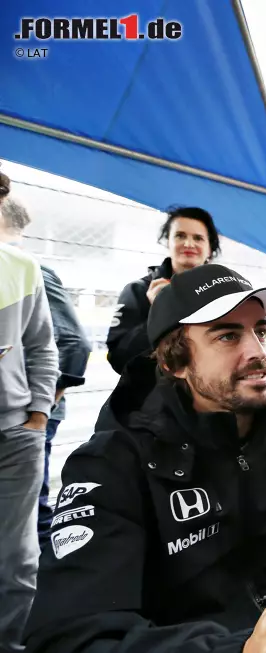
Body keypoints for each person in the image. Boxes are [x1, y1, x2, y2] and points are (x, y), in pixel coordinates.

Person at [25, 264, 266, 653]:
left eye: (261, 330)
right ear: (174, 362)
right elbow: (73, 636)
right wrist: (243, 648)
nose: (258, 351)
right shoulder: (112, 464)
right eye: (228, 336)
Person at [0, 196, 91, 547]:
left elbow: (75, 342)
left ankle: (45, 595)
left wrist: (39, 412)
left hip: (25, 416)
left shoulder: (31, 268)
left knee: (28, 521)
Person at [0, 172, 59, 653]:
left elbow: (43, 345)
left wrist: (38, 413)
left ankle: (13, 644)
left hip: (16, 435)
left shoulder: (22, 268)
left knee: (17, 558)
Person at [106, 207, 220, 405]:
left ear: (210, 248)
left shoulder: (224, 295)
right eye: (180, 235)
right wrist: (160, 313)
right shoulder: (138, 291)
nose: (188, 243)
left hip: (212, 407)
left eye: (198, 238)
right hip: (151, 411)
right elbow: (119, 359)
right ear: (168, 241)